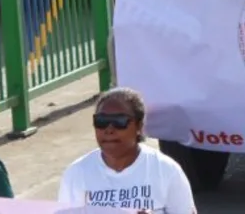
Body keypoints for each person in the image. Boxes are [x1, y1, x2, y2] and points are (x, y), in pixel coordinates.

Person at [58, 89, 196, 214]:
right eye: (101, 121)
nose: (109, 130)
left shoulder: (166, 170)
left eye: (119, 121)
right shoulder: (77, 172)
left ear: (139, 126)